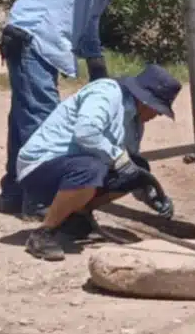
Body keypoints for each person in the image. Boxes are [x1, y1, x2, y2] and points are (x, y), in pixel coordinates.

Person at [0, 0, 169, 217]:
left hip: (44, 43)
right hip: (31, 35)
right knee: (40, 117)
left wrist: (95, 62)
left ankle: (14, 190)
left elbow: (91, 16)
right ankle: (41, 202)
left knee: (25, 118)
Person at [17, 64, 181, 261]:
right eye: (158, 110)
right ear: (146, 101)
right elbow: (86, 133)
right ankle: (44, 233)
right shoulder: (106, 93)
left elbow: (129, 168)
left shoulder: (135, 122)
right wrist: (118, 158)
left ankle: (75, 217)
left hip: (74, 169)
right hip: (40, 167)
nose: (158, 115)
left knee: (137, 168)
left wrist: (150, 194)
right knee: (92, 169)